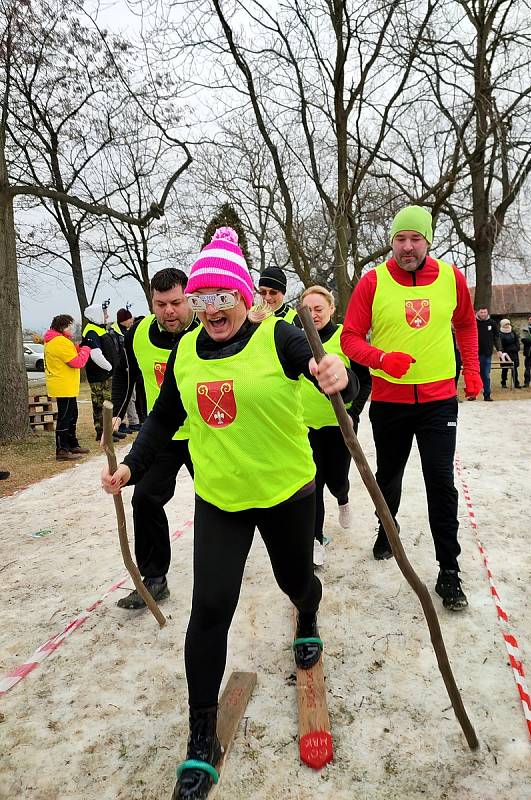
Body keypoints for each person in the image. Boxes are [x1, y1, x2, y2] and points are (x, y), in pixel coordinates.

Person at [102, 227, 357, 800]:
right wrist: (132, 468)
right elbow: (164, 418)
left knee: (296, 580)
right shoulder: (187, 352)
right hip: (221, 499)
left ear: (244, 298)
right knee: (211, 609)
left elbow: (329, 366)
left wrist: (337, 371)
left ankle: (308, 621)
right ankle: (199, 733)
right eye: (202, 298)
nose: (211, 309)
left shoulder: (280, 338)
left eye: (222, 297)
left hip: (286, 491)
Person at [341, 205, 481, 611]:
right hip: (391, 402)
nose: (407, 247)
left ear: (428, 240)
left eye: (414, 238)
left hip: (438, 402)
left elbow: (467, 324)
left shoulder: (452, 279)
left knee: (441, 482)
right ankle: (388, 529)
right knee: (389, 477)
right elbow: (350, 338)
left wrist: (472, 369)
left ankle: (449, 569)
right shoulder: (373, 282)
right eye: (399, 239)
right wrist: (382, 359)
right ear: (391, 242)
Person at [110, 269, 201, 610]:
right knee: (144, 499)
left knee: (221, 501)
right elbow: (125, 372)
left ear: (189, 299)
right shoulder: (138, 335)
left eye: (176, 302)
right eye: (161, 304)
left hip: (205, 434)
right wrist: (118, 411)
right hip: (160, 434)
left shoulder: (206, 331)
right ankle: (155, 578)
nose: (169, 311)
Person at [299, 285, 371, 567]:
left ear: (331, 309)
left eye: (319, 309)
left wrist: (353, 412)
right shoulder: (295, 341)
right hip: (304, 427)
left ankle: (343, 497)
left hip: (339, 425)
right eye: (308, 310)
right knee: (311, 484)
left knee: (336, 478)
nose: (314, 315)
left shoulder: (346, 338)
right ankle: (315, 539)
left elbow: (365, 381)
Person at [43, 314, 91, 461]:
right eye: (70, 326)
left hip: (65, 384)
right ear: (63, 327)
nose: (72, 329)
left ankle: (71, 443)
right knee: (65, 417)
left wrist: (77, 347)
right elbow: (77, 362)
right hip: (63, 385)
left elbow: (67, 355)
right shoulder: (59, 342)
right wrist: (86, 349)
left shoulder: (56, 341)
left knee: (72, 414)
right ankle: (62, 449)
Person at [81, 302, 122, 442]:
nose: (107, 316)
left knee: (109, 403)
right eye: (104, 313)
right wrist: (110, 367)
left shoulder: (100, 329)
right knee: (100, 404)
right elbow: (96, 354)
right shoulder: (91, 331)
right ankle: (102, 432)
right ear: (97, 315)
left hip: (107, 375)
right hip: (99, 376)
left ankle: (109, 431)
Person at [114, 308, 141, 433]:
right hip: (123, 369)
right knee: (128, 397)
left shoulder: (127, 332)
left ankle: (132, 421)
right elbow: (118, 353)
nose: (131, 320)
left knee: (132, 397)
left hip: (129, 368)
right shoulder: (119, 334)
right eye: (129, 318)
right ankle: (124, 421)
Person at [475, 307, 501, 400]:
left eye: (484, 312)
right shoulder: (474, 322)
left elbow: (496, 337)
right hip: (475, 353)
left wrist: (499, 349)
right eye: (481, 312)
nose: (483, 314)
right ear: (478, 313)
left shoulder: (492, 323)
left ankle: (487, 394)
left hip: (487, 353)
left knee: (486, 374)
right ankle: (473, 394)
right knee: (475, 374)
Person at [498, 318, 521, 389]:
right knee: (505, 368)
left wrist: (517, 347)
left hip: (514, 352)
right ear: (502, 325)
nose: (507, 325)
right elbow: (500, 344)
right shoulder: (500, 333)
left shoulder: (512, 332)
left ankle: (516, 383)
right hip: (505, 353)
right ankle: (503, 382)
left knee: (514, 368)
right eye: (505, 324)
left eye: (508, 324)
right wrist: (502, 351)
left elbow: (517, 340)